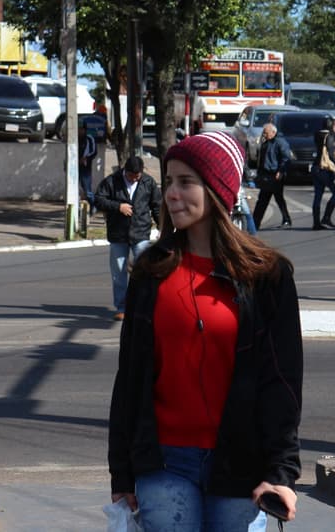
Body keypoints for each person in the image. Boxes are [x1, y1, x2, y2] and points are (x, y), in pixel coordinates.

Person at [108, 132, 303, 531]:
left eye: (186, 182)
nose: (171, 194)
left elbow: (282, 382)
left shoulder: (267, 276)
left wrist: (281, 472)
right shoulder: (150, 272)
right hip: (164, 461)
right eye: (169, 182)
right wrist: (121, 473)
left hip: (241, 463)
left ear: (217, 189)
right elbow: (129, 378)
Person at [94, 155, 161, 321]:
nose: (135, 179)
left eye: (138, 176)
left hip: (141, 232)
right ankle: (122, 307)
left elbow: (156, 205)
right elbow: (99, 200)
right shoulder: (112, 181)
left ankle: (143, 306)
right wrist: (118, 207)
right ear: (126, 171)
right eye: (132, 176)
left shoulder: (148, 182)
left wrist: (162, 226)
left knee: (144, 272)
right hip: (118, 234)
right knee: (119, 273)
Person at [252, 123, 292, 229]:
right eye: (264, 133)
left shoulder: (280, 142)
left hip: (275, 175)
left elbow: (286, 158)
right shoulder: (265, 142)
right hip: (266, 176)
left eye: (266, 133)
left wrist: (281, 171)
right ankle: (255, 223)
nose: (264, 135)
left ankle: (255, 223)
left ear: (273, 132)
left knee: (272, 199)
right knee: (265, 199)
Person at [311, 118, 335, 230]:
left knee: (318, 195)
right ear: (330, 126)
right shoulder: (329, 136)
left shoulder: (317, 135)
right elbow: (330, 154)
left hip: (315, 167)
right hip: (324, 169)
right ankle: (326, 217)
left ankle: (316, 223)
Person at [78, 123, 98, 216]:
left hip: (85, 168)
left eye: (81, 129)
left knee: (87, 189)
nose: (80, 131)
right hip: (75, 167)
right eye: (79, 129)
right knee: (75, 189)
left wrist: (86, 158)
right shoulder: (74, 138)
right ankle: (78, 209)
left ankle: (93, 205)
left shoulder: (89, 139)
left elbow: (94, 151)